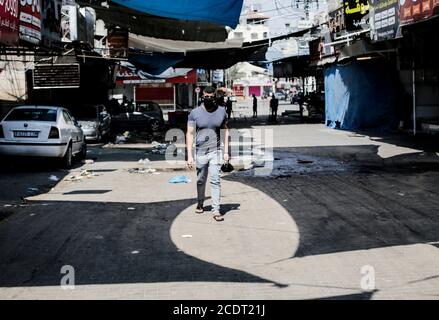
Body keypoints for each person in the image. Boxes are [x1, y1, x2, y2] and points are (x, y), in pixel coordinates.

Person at [186, 86, 230, 222]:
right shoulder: (194, 113)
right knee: (200, 179)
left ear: (215, 97)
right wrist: (190, 155)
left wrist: (226, 152)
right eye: (206, 97)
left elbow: (225, 131)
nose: (209, 99)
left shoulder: (222, 112)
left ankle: (216, 209)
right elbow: (190, 133)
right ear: (202, 97)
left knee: (215, 179)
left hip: (215, 151)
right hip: (200, 152)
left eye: (211, 97)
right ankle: (200, 202)